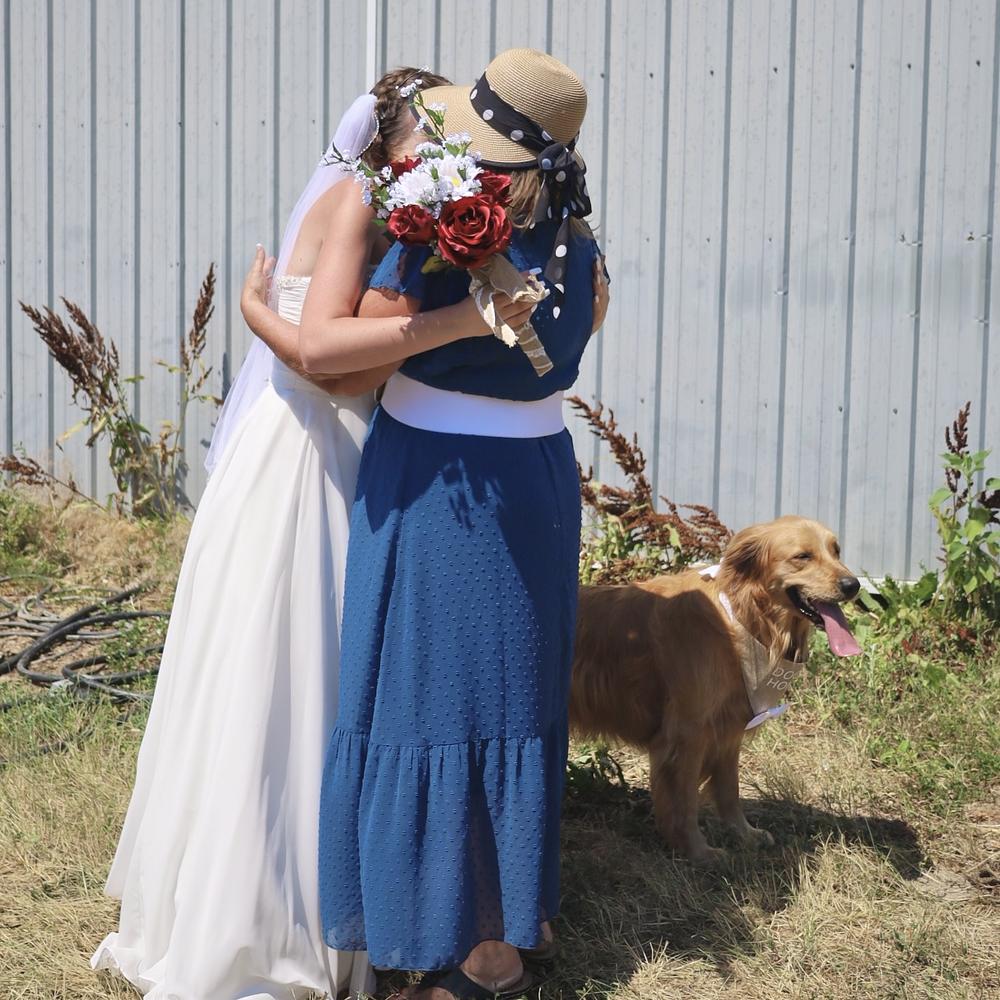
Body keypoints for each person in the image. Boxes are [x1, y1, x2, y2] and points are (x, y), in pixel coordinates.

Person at [90, 68, 466, 1000]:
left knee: (313, 669)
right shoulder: (358, 206)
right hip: (305, 455)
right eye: (436, 136)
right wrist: (453, 326)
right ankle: (264, 912)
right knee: (283, 670)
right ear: (391, 143)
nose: (448, 155)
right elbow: (319, 359)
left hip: (330, 442)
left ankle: (334, 893)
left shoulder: (402, 215)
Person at [305, 48, 609, 1000]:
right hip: (536, 478)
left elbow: (333, 356)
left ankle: (475, 956)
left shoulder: (436, 239)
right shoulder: (579, 243)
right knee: (510, 698)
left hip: (446, 485)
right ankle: (511, 919)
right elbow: (578, 337)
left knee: (433, 703)